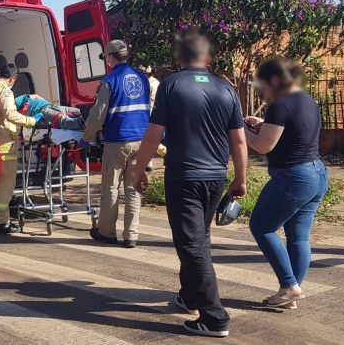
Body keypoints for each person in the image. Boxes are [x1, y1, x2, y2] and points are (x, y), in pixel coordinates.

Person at [132, 33, 248, 338]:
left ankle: (214, 317)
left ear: (180, 58)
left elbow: (154, 133)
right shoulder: (227, 89)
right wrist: (241, 178)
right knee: (199, 237)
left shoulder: (172, 85)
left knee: (191, 244)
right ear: (208, 59)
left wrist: (140, 169)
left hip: (184, 176)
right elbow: (238, 139)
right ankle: (189, 295)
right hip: (215, 177)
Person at [244, 57, 328, 309]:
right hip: (317, 173)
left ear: (274, 81)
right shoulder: (307, 99)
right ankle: (289, 293)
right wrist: (262, 125)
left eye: (264, 86)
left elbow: (262, 146)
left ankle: (289, 285)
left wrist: (237, 127)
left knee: (262, 227)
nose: (264, 92)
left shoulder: (280, 105)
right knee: (298, 237)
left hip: (293, 177)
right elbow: (292, 132)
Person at [83, 40, 150, 249]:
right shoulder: (142, 78)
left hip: (117, 142)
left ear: (111, 57)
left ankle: (107, 232)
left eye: (106, 57)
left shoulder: (109, 81)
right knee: (133, 189)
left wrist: (86, 137)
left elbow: (97, 115)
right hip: (141, 140)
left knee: (111, 188)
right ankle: (132, 235)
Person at [0, 64, 42, 234]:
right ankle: (1, 222)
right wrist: (32, 121)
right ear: (13, 77)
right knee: (5, 184)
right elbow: (10, 114)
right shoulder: (6, 91)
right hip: (6, 144)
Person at [15, 93, 85, 130]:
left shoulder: (15, 102)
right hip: (42, 111)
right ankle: (83, 124)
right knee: (61, 119)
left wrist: (46, 102)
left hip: (49, 106)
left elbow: (35, 96)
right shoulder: (13, 112)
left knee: (75, 111)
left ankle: (87, 115)